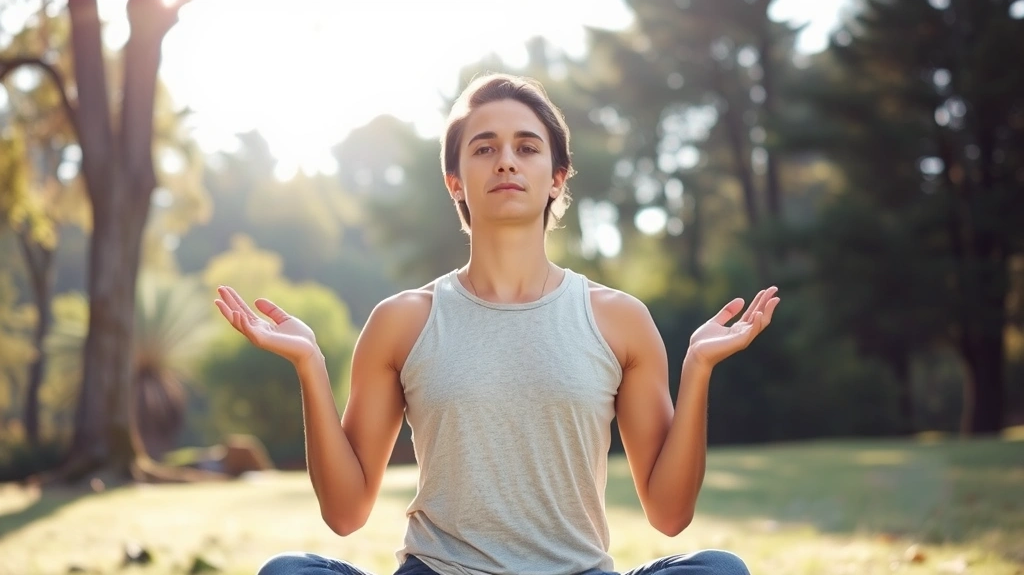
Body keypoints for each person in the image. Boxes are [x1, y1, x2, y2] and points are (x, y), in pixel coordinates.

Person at [214, 73, 780, 575]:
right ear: (455, 182)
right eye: (484, 148)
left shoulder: (619, 319)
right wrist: (311, 365)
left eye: (527, 147)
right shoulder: (403, 321)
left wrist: (698, 368)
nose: (506, 160)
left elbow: (670, 514)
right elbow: (344, 514)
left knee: (718, 570)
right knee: (289, 571)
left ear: (556, 177)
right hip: (440, 572)